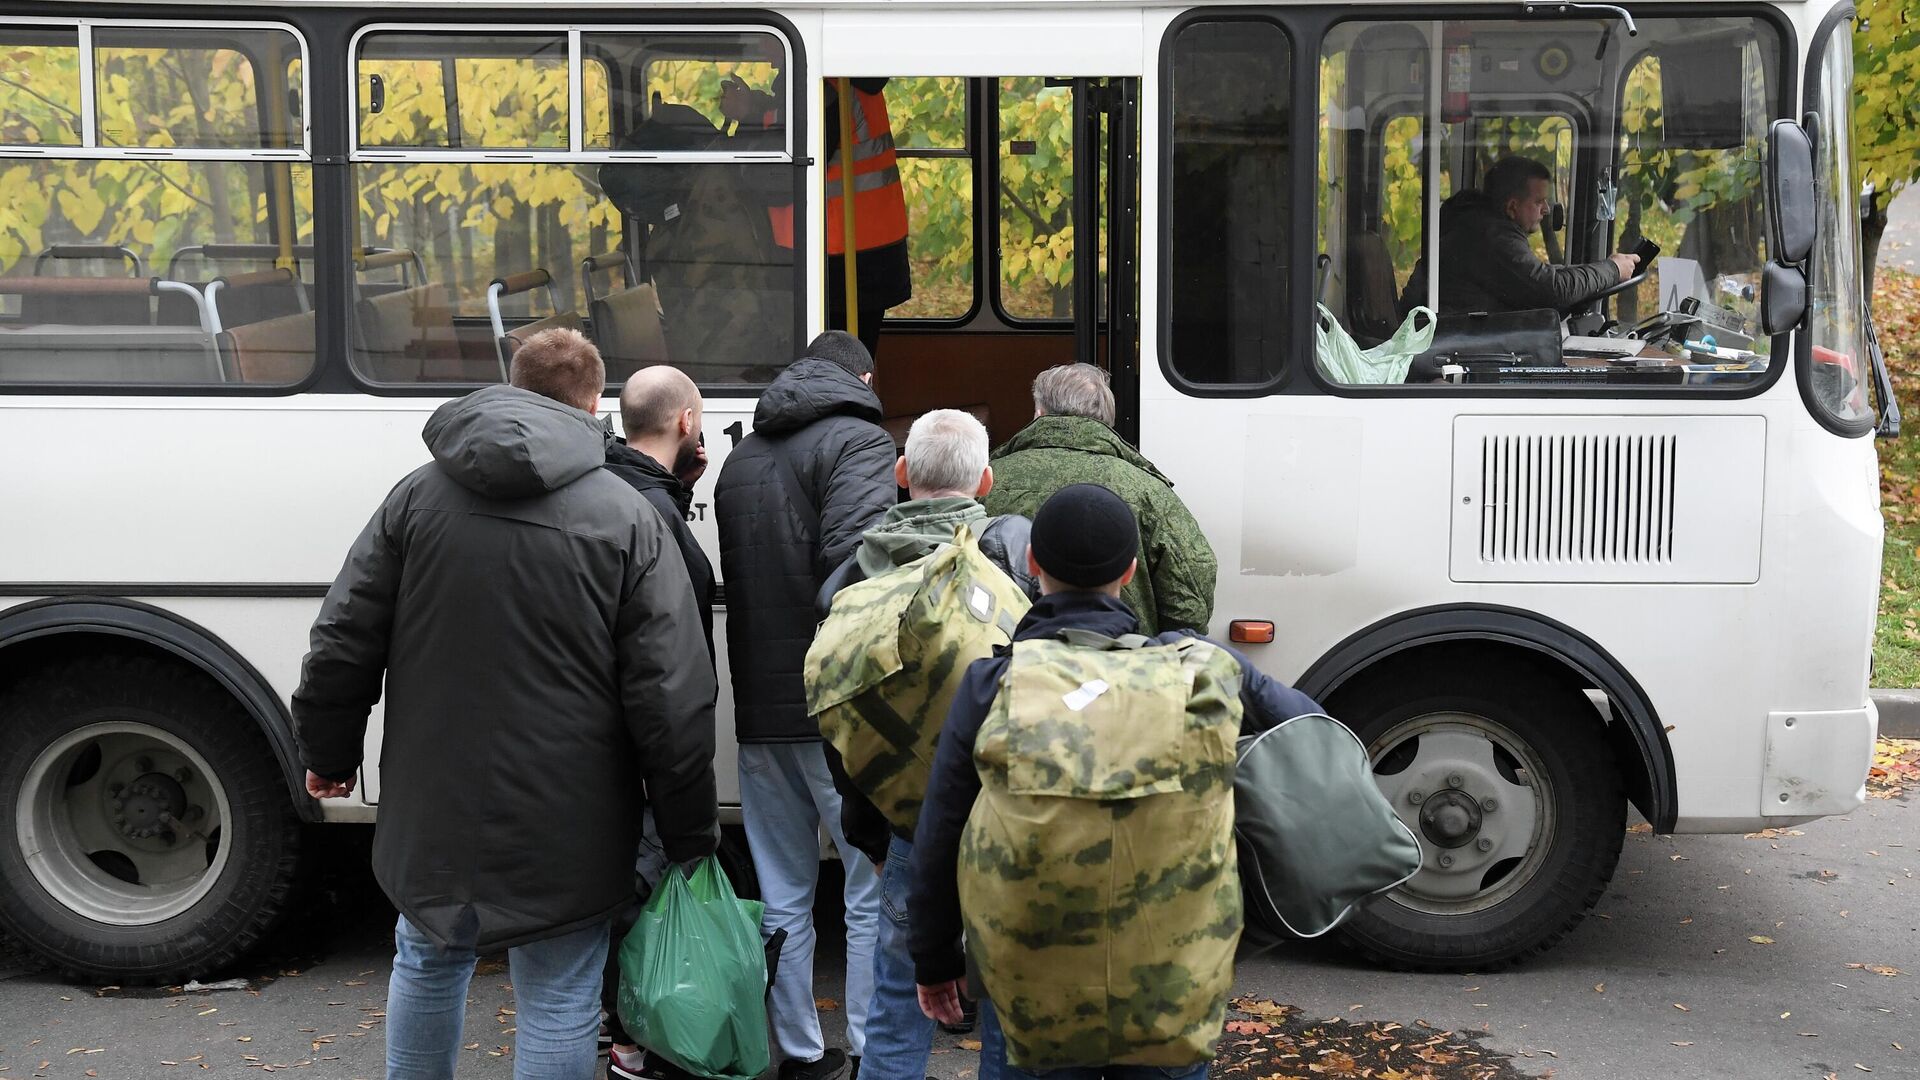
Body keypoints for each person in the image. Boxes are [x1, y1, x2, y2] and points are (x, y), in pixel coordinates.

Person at [292, 328, 719, 1080]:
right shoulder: (625, 516)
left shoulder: (417, 497)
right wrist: (687, 830)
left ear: (512, 386)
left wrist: (327, 754)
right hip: (573, 810)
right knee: (557, 994)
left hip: (433, 798)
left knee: (426, 956)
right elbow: (672, 696)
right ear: (595, 403)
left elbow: (342, 636)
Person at [907, 484, 1325, 1080]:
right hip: (1172, 971)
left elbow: (941, 831)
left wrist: (933, 958)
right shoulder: (1199, 670)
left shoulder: (992, 684)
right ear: (1130, 572)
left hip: (1030, 971)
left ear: (1032, 566)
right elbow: (1314, 733)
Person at [812, 408, 1035, 1080]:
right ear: (987, 481)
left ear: (901, 474)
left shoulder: (851, 579)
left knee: (896, 998)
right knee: (1008, 996)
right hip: (1007, 817)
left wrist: (870, 836)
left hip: (909, 823)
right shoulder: (1014, 566)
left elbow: (840, 726)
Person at [714, 330, 897, 1080]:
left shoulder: (740, 459)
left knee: (783, 888)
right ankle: (865, 1043)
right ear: (862, 376)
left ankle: (796, 1051)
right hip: (837, 706)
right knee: (867, 885)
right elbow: (858, 570)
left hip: (761, 706)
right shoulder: (861, 443)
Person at [601, 364, 717, 1080]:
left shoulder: (616, 490)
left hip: (610, 735)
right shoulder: (656, 514)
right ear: (684, 423)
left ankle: (616, 1029)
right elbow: (667, 659)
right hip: (648, 743)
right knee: (644, 889)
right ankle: (632, 1039)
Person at [984, 363, 1217, 635]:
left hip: (1011, 662)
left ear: (1039, 413)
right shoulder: (1148, 491)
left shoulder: (986, 479)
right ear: (1107, 419)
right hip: (1122, 662)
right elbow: (1190, 603)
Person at [723, 68, 911, 359]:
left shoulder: (822, 89)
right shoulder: (844, 81)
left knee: (834, 368)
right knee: (852, 360)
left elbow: (779, 178)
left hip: (836, 256)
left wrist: (745, 119)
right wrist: (755, 107)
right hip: (862, 249)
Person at [1398, 155, 1641, 316]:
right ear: (1513, 207)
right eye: (1539, 202)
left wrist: (1593, 278)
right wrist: (1611, 270)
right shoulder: (1491, 236)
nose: (1546, 210)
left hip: (1456, 335)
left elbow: (1540, 278)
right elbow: (1551, 289)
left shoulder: (1477, 224)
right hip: (1452, 342)